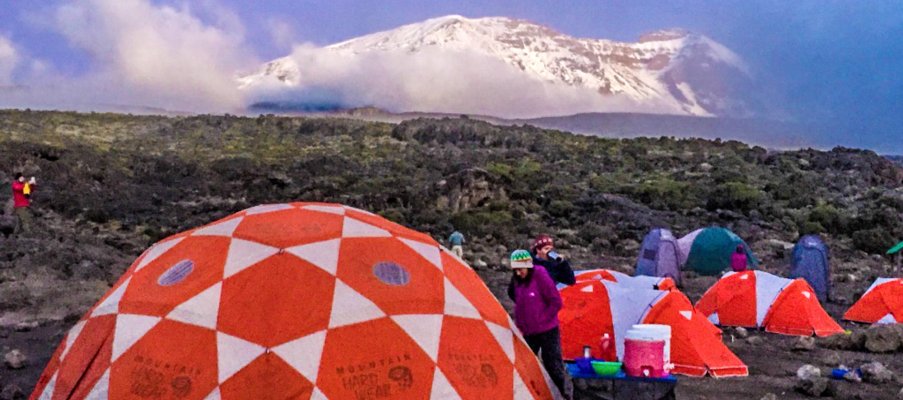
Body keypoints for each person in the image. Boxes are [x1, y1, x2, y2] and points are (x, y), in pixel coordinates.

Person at [507, 249, 569, 399]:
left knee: (552, 365)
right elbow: (515, 298)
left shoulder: (540, 276)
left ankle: (560, 395)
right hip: (528, 332)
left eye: (521, 269)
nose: (518, 273)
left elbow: (556, 302)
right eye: (515, 270)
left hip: (548, 329)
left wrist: (541, 318)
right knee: (526, 366)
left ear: (528, 266)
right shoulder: (516, 281)